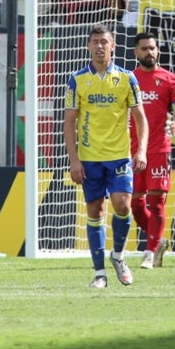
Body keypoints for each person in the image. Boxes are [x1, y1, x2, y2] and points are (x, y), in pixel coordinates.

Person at [64, 24, 147, 289]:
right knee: (95, 210)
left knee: (123, 205)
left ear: (113, 46)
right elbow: (69, 122)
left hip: (120, 156)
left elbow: (140, 118)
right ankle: (99, 273)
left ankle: (118, 256)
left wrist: (141, 149)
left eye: (104, 42)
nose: (100, 46)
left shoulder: (126, 79)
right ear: (89, 46)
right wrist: (74, 160)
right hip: (90, 158)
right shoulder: (77, 80)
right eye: (95, 42)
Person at [127, 31, 175, 270]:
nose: (149, 52)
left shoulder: (170, 79)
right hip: (133, 150)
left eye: (152, 48)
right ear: (136, 52)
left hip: (160, 149)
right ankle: (159, 240)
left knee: (157, 202)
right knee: (135, 205)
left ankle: (149, 253)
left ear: (157, 50)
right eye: (144, 49)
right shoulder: (129, 79)